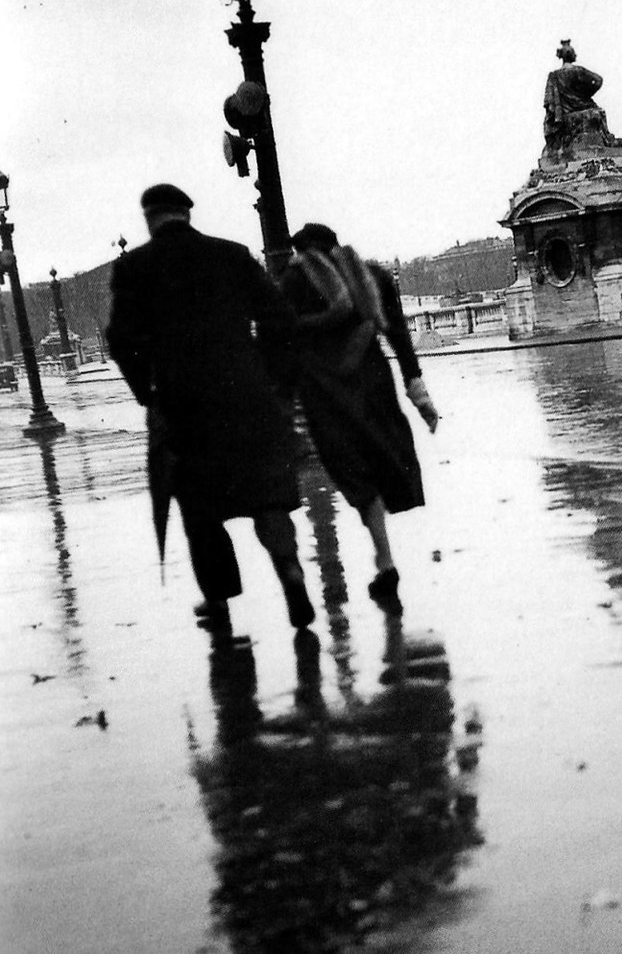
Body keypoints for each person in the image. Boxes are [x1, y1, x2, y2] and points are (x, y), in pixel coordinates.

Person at [107, 183, 314, 636]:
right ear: (186, 213)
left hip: (185, 406)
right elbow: (280, 318)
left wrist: (149, 391)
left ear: (150, 219)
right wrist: (274, 380)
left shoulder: (133, 268)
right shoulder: (232, 255)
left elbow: (121, 340)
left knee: (201, 509)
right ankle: (291, 573)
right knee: (267, 497)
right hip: (249, 395)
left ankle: (218, 602)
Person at [279, 222, 439, 610]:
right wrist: (419, 394)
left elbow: (282, 341)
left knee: (351, 471)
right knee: (381, 460)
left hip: (325, 392)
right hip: (372, 383)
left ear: (302, 252)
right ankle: (383, 556)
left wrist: (281, 404)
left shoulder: (294, 282)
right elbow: (398, 335)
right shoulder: (373, 276)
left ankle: (383, 556)